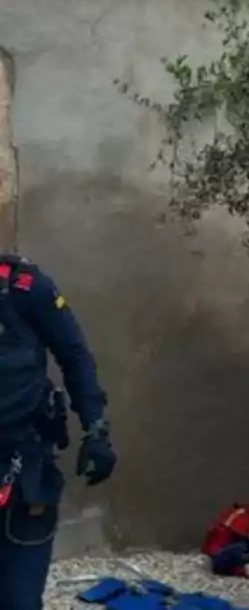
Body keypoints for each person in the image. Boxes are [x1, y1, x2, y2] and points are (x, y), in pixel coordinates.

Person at [0, 255, 116, 610]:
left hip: (23, 465)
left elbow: (74, 355)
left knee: (17, 600)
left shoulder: (25, 287)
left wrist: (96, 430)